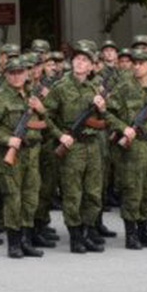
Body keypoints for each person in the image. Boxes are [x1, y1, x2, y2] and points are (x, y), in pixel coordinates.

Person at [43, 44, 108, 253]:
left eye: (85, 60)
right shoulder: (61, 87)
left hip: (92, 145)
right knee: (73, 193)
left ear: (91, 67)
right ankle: (76, 235)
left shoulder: (94, 89)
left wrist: (103, 109)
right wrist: (60, 135)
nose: (80, 63)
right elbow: (46, 117)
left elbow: (103, 121)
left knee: (94, 193)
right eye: (77, 59)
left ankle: (89, 231)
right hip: (73, 147)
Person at [0, 58, 46, 258]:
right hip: (12, 156)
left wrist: (42, 110)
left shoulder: (31, 96)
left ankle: (26, 240)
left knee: (30, 198)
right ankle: (14, 243)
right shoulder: (1, 98)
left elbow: (45, 122)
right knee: (13, 199)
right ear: (6, 75)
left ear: (27, 73)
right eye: (12, 73)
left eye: (20, 72)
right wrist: (7, 139)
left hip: (32, 154)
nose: (17, 76)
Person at [106, 49, 147, 249]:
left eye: (142, 63)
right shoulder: (124, 87)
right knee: (133, 189)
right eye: (134, 63)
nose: (137, 66)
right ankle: (131, 233)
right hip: (135, 145)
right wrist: (123, 128)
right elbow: (108, 113)